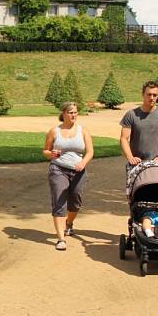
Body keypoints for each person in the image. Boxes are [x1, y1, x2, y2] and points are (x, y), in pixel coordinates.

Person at [43, 102, 95, 251]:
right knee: (59, 201)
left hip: (79, 171)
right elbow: (46, 151)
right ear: (64, 114)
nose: (73, 115)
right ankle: (61, 239)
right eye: (70, 112)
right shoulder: (54, 131)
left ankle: (69, 223)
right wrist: (50, 154)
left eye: (76, 112)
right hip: (58, 169)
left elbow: (90, 152)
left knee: (76, 201)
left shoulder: (83, 131)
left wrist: (83, 163)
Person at [120, 80, 158, 170]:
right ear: (143, 94)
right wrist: (130, 157)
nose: (152, 98)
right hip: (136, 164)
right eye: (149, 94)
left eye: (155, 95)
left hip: (156, 163)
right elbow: (124, 138)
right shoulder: (131, 114)